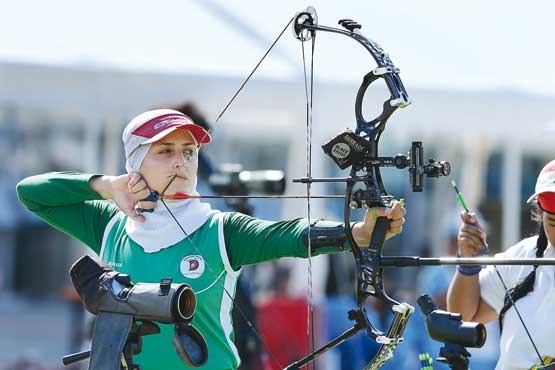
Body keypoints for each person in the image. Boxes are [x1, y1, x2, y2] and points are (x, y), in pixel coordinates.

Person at [16, 109, 406, 370]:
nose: (181, 161)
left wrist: (356, 233)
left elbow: (287, 235)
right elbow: (31, 192)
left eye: (189, 151)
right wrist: (106, 186)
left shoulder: (219, 229)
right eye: (165, 151)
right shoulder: (110, 223)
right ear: (134, 162)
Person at [447, 159, 555, 370]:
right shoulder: (523, 255)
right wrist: (468, 263)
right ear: (540, 215)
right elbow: (464, 317)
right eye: (553, 222)